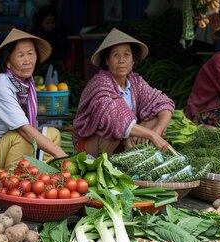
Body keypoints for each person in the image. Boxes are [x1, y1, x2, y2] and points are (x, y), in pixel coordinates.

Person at [0, 28, 67, 180]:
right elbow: (25, 130)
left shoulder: (26, 84)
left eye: (31, 54)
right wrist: (62, 155)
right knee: (23, 137)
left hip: (5, 146)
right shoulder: (2, 84)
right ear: (7, 62)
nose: (27, 60)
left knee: (52, 133)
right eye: (21, 55)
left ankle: (45, 179)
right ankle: (12, 182)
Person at [73, 28, 175, 157]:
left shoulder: (135, 81)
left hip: (122, 142)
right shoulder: (100, 84)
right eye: (116, 55)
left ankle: (135, 157)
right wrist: (152, 135)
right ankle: (112, 162)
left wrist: (158, 130)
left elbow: (164, 103)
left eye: (127, 55)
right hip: (93, 145)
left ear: (133, 60)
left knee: (155, 120)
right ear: (107, 61)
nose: (122, 60)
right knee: (114, 130)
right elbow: (115, 118)